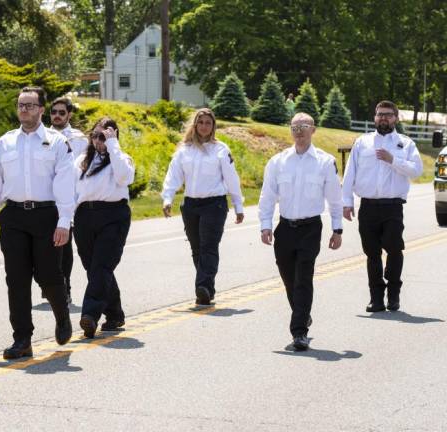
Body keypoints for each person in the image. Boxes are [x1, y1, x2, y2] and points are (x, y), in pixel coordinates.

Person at [0, 86, 74, 360]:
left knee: (49, 275)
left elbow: (65, 183)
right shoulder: (5, 143)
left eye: (29, 105)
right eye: (20, 105)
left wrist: (64, 222)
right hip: (13, 216)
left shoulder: (57, 142)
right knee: (16, 279)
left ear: (40, 109)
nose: (23, 109)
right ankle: (22, 339)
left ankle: (62, 316)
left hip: (46, 215)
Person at [258, 112, 343, 351]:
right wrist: (265, 224)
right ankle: (302, 313)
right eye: (295, 127)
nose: (299, 131)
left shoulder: (325, 162)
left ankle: (299, 332)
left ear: (313, 130)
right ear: (290, 131)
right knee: (289, 279)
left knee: (303, 277)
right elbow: (267, 196)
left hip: (310, 228)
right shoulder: (278, 161)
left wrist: (337, 228)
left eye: (304, 126)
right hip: (285, 227)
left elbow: (334, 198)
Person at [342, 100, 423, 312]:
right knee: (372, 253)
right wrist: (347, 202)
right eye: (379, 114)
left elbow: (416, 171)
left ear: (396, 118)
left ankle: (393, 295)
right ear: (374, 117)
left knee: (394, 249)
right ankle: (376, 299)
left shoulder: (406, 144)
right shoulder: (363, 142)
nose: (383, 118)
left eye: (387, 114)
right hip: (368, 207)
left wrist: (393, 159)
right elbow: (350, 173)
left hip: (393, 207)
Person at [161, 108, 244, 305]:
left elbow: (232, 179)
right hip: (190, 205)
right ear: (195, 125)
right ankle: (206, 289)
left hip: (214, 205)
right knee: (197, 248)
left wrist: (238, 205)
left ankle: (203, 286)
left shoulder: (221, 150)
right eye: (201, 122)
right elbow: (173, 176)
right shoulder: (184, 150)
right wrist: (168, 198)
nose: (204, 126)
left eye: (208, 123)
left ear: (213, 126)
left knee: (208, 246)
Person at [73, 117, 134, 338]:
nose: (99, 141)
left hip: (113, 216)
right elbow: (71, 190)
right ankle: (115, 314)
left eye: (104, 136)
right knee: (95, 268)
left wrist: (113, 145)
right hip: (84, 216)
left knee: (101, 266)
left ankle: (90, 315)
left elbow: (124, 177)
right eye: (96, 135)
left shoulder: (121, 158)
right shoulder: (81, 160)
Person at [49, 97, 89, 304]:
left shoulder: (79, 139)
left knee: (63, 247)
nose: (57, 115)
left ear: (69, 115)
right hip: (45, 200)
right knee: (45, 247)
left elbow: (83, 168)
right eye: (53, 112)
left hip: (68, 201)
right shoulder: (40, 135)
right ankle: (49, 284)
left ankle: (65, 286)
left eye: (61, 112)